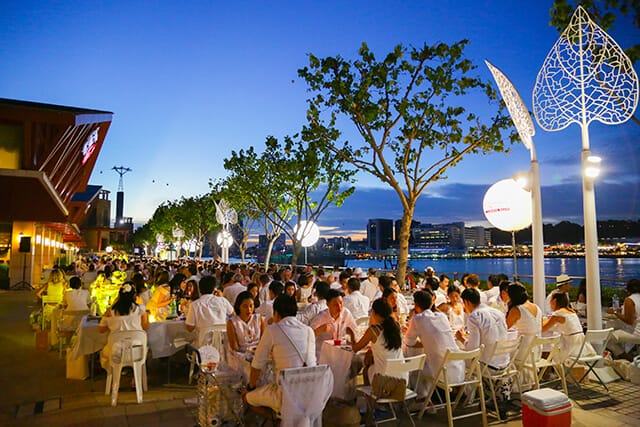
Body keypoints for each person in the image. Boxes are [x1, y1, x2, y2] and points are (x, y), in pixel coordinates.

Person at [243, 295, 316, 416]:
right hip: (309, 394)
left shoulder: (273, 330)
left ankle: (277, 419)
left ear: (276, 313)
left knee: (247, 397)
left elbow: (257, 364)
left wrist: (250, 387)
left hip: (284, 395)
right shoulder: (309, 331)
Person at [405, 289, 464, 396]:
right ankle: (428, 398)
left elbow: (409, 342)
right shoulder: (441, 316)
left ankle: (423, 398)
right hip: (459, 370)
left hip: (442, 373)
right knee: (428, 361)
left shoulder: (418, 318)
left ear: (416, 305)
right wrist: (429, 342)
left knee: (415, 367)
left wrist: (425, 342)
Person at [98, 282, 150, 370]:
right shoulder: (140, 310)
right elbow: (146, 327)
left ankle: (113, 377)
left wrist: (112, 326)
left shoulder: (110, 312)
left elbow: (101, 330)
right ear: (134, 296)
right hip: (137, 353)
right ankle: (136, 376)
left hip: (115, 352)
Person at [352, 298, 404, 385]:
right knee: (371, 363)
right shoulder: (396, 327)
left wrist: (351, 336)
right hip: (402, 378)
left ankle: (372, 397)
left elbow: (355, 348)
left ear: (374, 312)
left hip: (383, 380)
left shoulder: (374, 330)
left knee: (366, 370)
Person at [456, 288, 509, 369]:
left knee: (457, 360)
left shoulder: (474, 316)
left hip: (488, 366)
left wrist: (461, 338)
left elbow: (473, 348)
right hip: (505, 363)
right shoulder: (498, 312)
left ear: (467, 302)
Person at [185, 275, 234, 347]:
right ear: (214, 289)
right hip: (224, 344)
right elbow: (234, 315)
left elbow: (189, 328)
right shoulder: (222, 300)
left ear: (200, 289)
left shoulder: (195, 304)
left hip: (204, 344)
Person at [543, 292, 592, 361]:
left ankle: (547, 368)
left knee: (549, 346)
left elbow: (543, 328)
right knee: (553, 343)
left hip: (571, 348)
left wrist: (542, 319)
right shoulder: (572, 311)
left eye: (550, 300)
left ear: (555, 301)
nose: (549, 303)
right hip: (582, 347)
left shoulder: (558, 313)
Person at [310, 289, 357, 356]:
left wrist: (351, 335)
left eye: (341, 303)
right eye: (335, 304)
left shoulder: (346, 313)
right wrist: (319, 330)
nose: (339, 307)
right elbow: (308, 337)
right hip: (323, 353)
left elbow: (355, 330)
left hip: (341, 350)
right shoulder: (320, 317)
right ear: (327, 304)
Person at [506, 283, 542, 362]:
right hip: (537, 351)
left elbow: (504, 327)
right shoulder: (536, 307)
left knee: (502, 353)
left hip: (524, 352)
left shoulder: (517, 309)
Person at [608, 279, 640, 358]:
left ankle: (626, 357)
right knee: (617, 333)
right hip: (636, 330)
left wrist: (615, 312)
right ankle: (627, 353)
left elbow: (629, 321)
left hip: (636, 333)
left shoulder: (629, 300)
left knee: (607, 338)